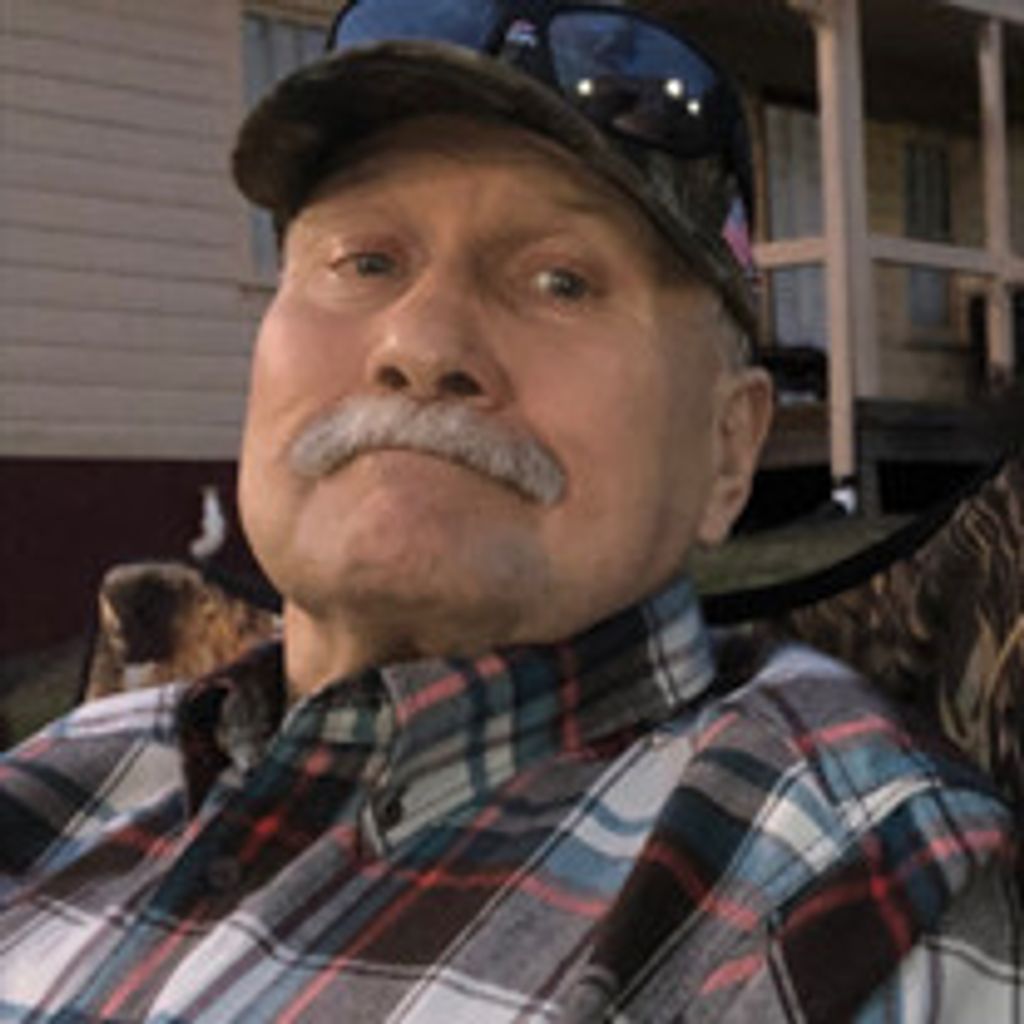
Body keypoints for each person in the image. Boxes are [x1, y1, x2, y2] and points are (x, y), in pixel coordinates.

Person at [1, 3, 1018, 1021]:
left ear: (727, 449)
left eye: (560, 282)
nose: (421, 343)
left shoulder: (840, 892)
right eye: (366, 262)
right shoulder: (61, 779)